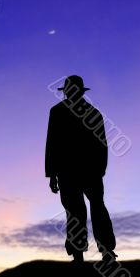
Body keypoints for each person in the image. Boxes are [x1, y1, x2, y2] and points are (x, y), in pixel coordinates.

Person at [45, 75, 117, 263]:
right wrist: (52, 174)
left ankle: (102, 252)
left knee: (89, 209)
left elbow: (101, 144)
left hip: (84, 171)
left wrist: (100, 169)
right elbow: (52, 144)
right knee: (80, 211)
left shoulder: (65, 112)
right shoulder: (62, 112)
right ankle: (88, 254)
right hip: (76, 172)